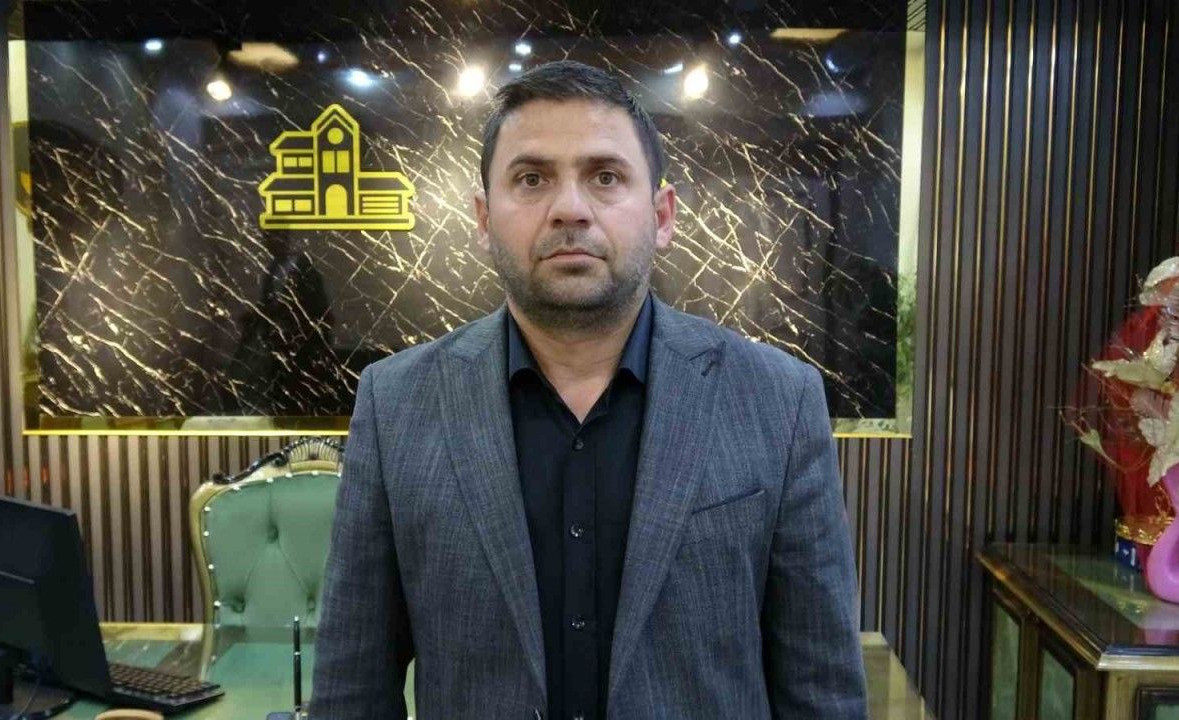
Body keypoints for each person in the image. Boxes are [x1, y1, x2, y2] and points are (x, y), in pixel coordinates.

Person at [310, 60, 866, 719]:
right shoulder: (396, 403)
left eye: (605, 176)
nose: (569, 209)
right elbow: (352, 690)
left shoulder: (778, 400)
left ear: (662, 215)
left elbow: (821, 691)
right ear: (483, 219)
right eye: (531, 178)